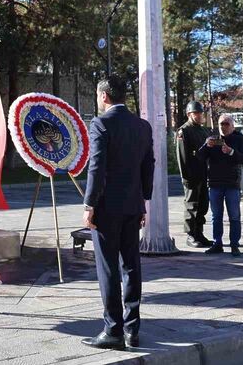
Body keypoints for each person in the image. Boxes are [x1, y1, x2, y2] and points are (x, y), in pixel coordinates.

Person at [81, 76, 154, 351]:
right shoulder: (142, 126)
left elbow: (96, 167)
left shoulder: (102, 124)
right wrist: (144, 199)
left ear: (103, 96)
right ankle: (132, 330)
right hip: (133, 206)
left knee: (109, 269)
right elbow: (149, 165)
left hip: (107, 208)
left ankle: (112, 329)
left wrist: (90, 205)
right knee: (132, 267)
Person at [196, 114, 243, 256]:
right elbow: (199, 157)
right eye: (221, 124)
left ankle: (234, 244)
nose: (223, 126)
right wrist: (206, 145)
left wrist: (231, 152)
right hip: (215, 183)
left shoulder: (238, 139)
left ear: (232, 125)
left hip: (232, 184)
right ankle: (217, 243)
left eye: (226, 124)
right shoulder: (213, 139)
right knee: (216, 216)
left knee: (234, 216)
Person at [176, 101, 212, 248]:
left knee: (203, 204)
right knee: (192, 205)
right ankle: (191, 235)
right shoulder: (184, 131)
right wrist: (186, 177)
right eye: (195, 113)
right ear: (189, 114)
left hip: (203, 172)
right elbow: (182, 156)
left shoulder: (203, 131)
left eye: (200, 113)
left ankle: (199, 232)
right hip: (192, 174)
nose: (198, 115)